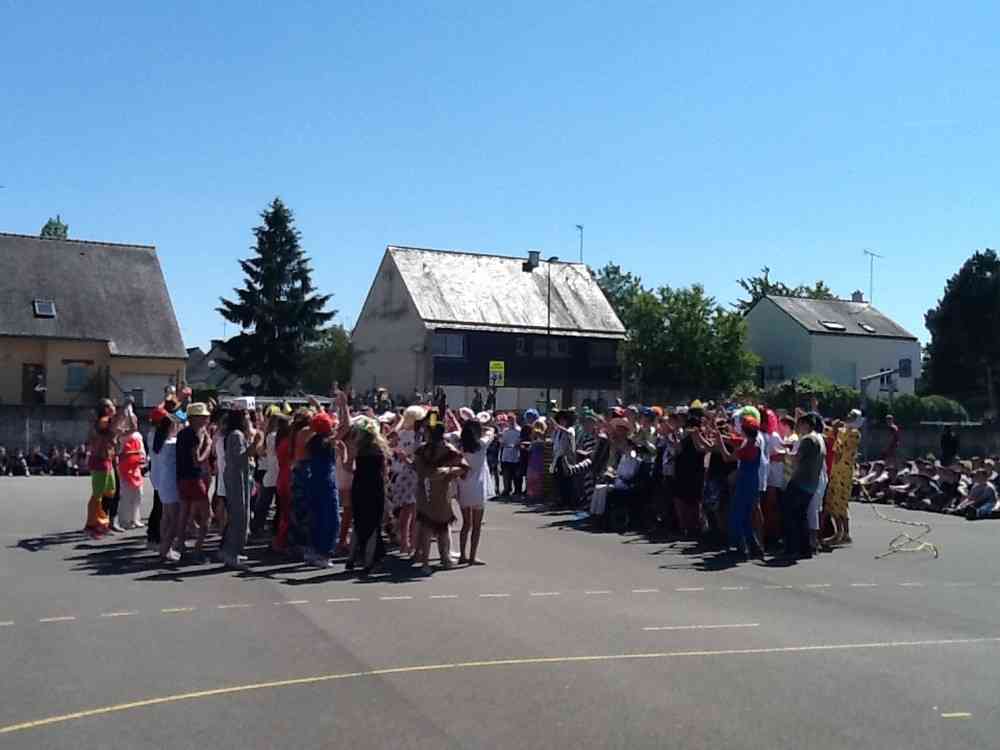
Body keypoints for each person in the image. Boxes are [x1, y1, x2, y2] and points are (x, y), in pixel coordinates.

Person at [339, 393, 390, 575]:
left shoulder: (357, 448)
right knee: (373, 525)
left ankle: (351, 558)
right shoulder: (379, 450)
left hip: (359, 485)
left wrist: (343, 452)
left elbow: (348, 467)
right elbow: (384, 473)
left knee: (358, 522)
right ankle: (369, 561)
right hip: (375, 487)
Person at [413, 417, 468, 574]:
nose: (425, 434)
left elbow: (464, 467)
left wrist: (447, 472)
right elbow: (417, 467)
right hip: (425, 490)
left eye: (428, 432)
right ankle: (425, 562)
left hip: (441, 490)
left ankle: (444, 558)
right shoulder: (423, 449)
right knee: (427, 526)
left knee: (442, 526)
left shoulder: (448, 448)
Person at [713, 413, 765, 559]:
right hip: (752, 482)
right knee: (746, 516)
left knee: (737, 514)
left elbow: (727, 457)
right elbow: (734, 440)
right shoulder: (753, 442)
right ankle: (754, 547)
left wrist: (720, 442)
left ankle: (741, 547)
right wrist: (721, 436)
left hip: (745, 482)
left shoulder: (748, 446)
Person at [782, 413, 826, 560]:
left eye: (800, 424)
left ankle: (791, 548)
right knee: (801, 516)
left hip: (800, 481)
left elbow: (796, 459)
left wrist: (786, 453)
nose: (798, 428)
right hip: (811, 483)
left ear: (806, 424)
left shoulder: (808, 439)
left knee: (789, 514)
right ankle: (805, 548)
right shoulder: (819, 438)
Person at [219, 407, 256, 569]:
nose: (249, 420)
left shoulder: (238, 435)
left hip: (239, 477)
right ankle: (231, 553)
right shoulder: (236, 435)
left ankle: (234, 551)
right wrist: (255, 444)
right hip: (236, 479)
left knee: (241, 514)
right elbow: (240, 458)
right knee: (238, 516)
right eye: (246, 417)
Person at [176, 403, 214, 561]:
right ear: (194, 418)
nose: (206, 419)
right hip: (194, 478)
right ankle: (198, 549)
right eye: (203, 417)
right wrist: (208, 445)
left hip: (182, 478)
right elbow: (197, 460)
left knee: (184, 513)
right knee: (207, 515)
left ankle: (181, 545)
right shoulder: (194, 435)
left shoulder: (182, 433)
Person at [304, 410, 340, 568]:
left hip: (314, 480)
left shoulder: (311, 442)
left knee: (316, 516)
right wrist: (343, 406)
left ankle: (313, 550)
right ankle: (324, 553)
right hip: (327, 482)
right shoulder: (327, 442)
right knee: (331, 519)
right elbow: (344, 428)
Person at [456, 417, 494, 565]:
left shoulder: (460, 447)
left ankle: (462, 555)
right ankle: (472, 557)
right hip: (478, 488)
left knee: (466, 524)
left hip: (463, 486)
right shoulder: (482, 445)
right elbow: (491, 431)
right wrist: (484, 427)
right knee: (476, 526)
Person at [150, 412, 182, 563]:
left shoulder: (159, 441)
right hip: (171, 482)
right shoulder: (171, 444)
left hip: (163, 481)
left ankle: (165, 547)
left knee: (166, 516)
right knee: (174, 519)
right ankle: (165, 549)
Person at [85, 399, 117, 537]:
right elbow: (112, 425)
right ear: (105, 409)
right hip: (99, 461)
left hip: (107, 460)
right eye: (111, 406)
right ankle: (92, 524)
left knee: (110, 490)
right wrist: (126, 408)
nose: (114, 407)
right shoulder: (103, 421)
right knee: (97, 494)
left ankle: (102, 521)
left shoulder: (107, 421)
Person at [824, 421, 859, 545]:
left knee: (839, 503)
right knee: (832, 502)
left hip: (844, 474)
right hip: (836, 472)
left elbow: (841, 448)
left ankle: (842, 533)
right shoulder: (842, 432)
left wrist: (837, 431)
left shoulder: (853, 433)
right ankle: (842, 533)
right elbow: (827, 431)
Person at [116, 405, 146, 530]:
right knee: (126, 495)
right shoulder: (121, 433)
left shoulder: (138, 435)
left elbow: (141, 448)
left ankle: (135, 518)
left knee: (138, 494)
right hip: (125, 468)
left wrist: (143, 458)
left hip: (136, 467)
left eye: (135, 420)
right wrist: (127, 412)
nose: (135, 422)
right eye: (132, 420)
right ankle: (125, 520)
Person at [499, 414, 523, 497]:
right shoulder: (505, 431)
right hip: (506, 454)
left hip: (515, 454)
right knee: (506, 474)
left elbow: (521, 441)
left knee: (516, 474)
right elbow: (502, 442)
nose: (510, 421)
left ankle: (517, 490)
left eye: (512, 419)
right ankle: (507, 489)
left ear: (515, 420)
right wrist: (502, 443)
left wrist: (517, 444)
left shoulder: (519, 430)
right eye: (509, 420)